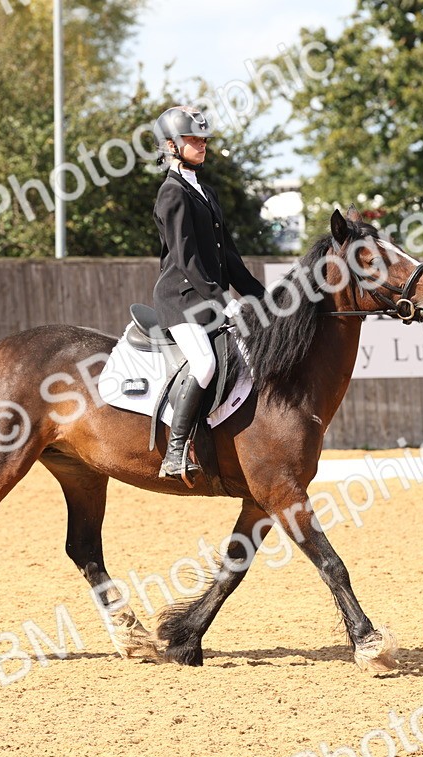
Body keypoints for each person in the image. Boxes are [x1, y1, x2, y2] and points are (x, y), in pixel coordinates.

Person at [151, 105, 266, 481]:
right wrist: (223, 300)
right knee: (205, 364)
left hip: (207, 296)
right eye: (193, 140)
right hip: (181, 301)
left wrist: (261, 296)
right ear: (170, 145)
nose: (202, 146)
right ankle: (175, 451)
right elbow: (187, 259)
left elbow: (227, 255)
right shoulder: (172, 193)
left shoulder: (206, 191)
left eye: (204, 140)